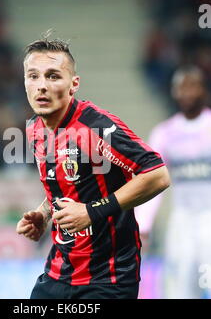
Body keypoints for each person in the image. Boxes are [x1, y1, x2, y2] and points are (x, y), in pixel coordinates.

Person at [16, 37, 171, 299]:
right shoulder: (34, 128)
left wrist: (91, 212)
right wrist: (44, 214)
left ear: (73, 84)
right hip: (59, 272)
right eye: (33, 76)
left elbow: (157, 175)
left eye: (53, 76)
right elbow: (63, 182)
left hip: (108, 277)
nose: (41, 86)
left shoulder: (95, 126)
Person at [135, 66, 211, 299]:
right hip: (183, 222)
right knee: (179, 290)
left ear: (204, 91)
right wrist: (143, 223)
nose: (187, 92)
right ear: (174, 92)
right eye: (181, 87)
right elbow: (153, 183)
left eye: (192, 85)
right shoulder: (164, 134)